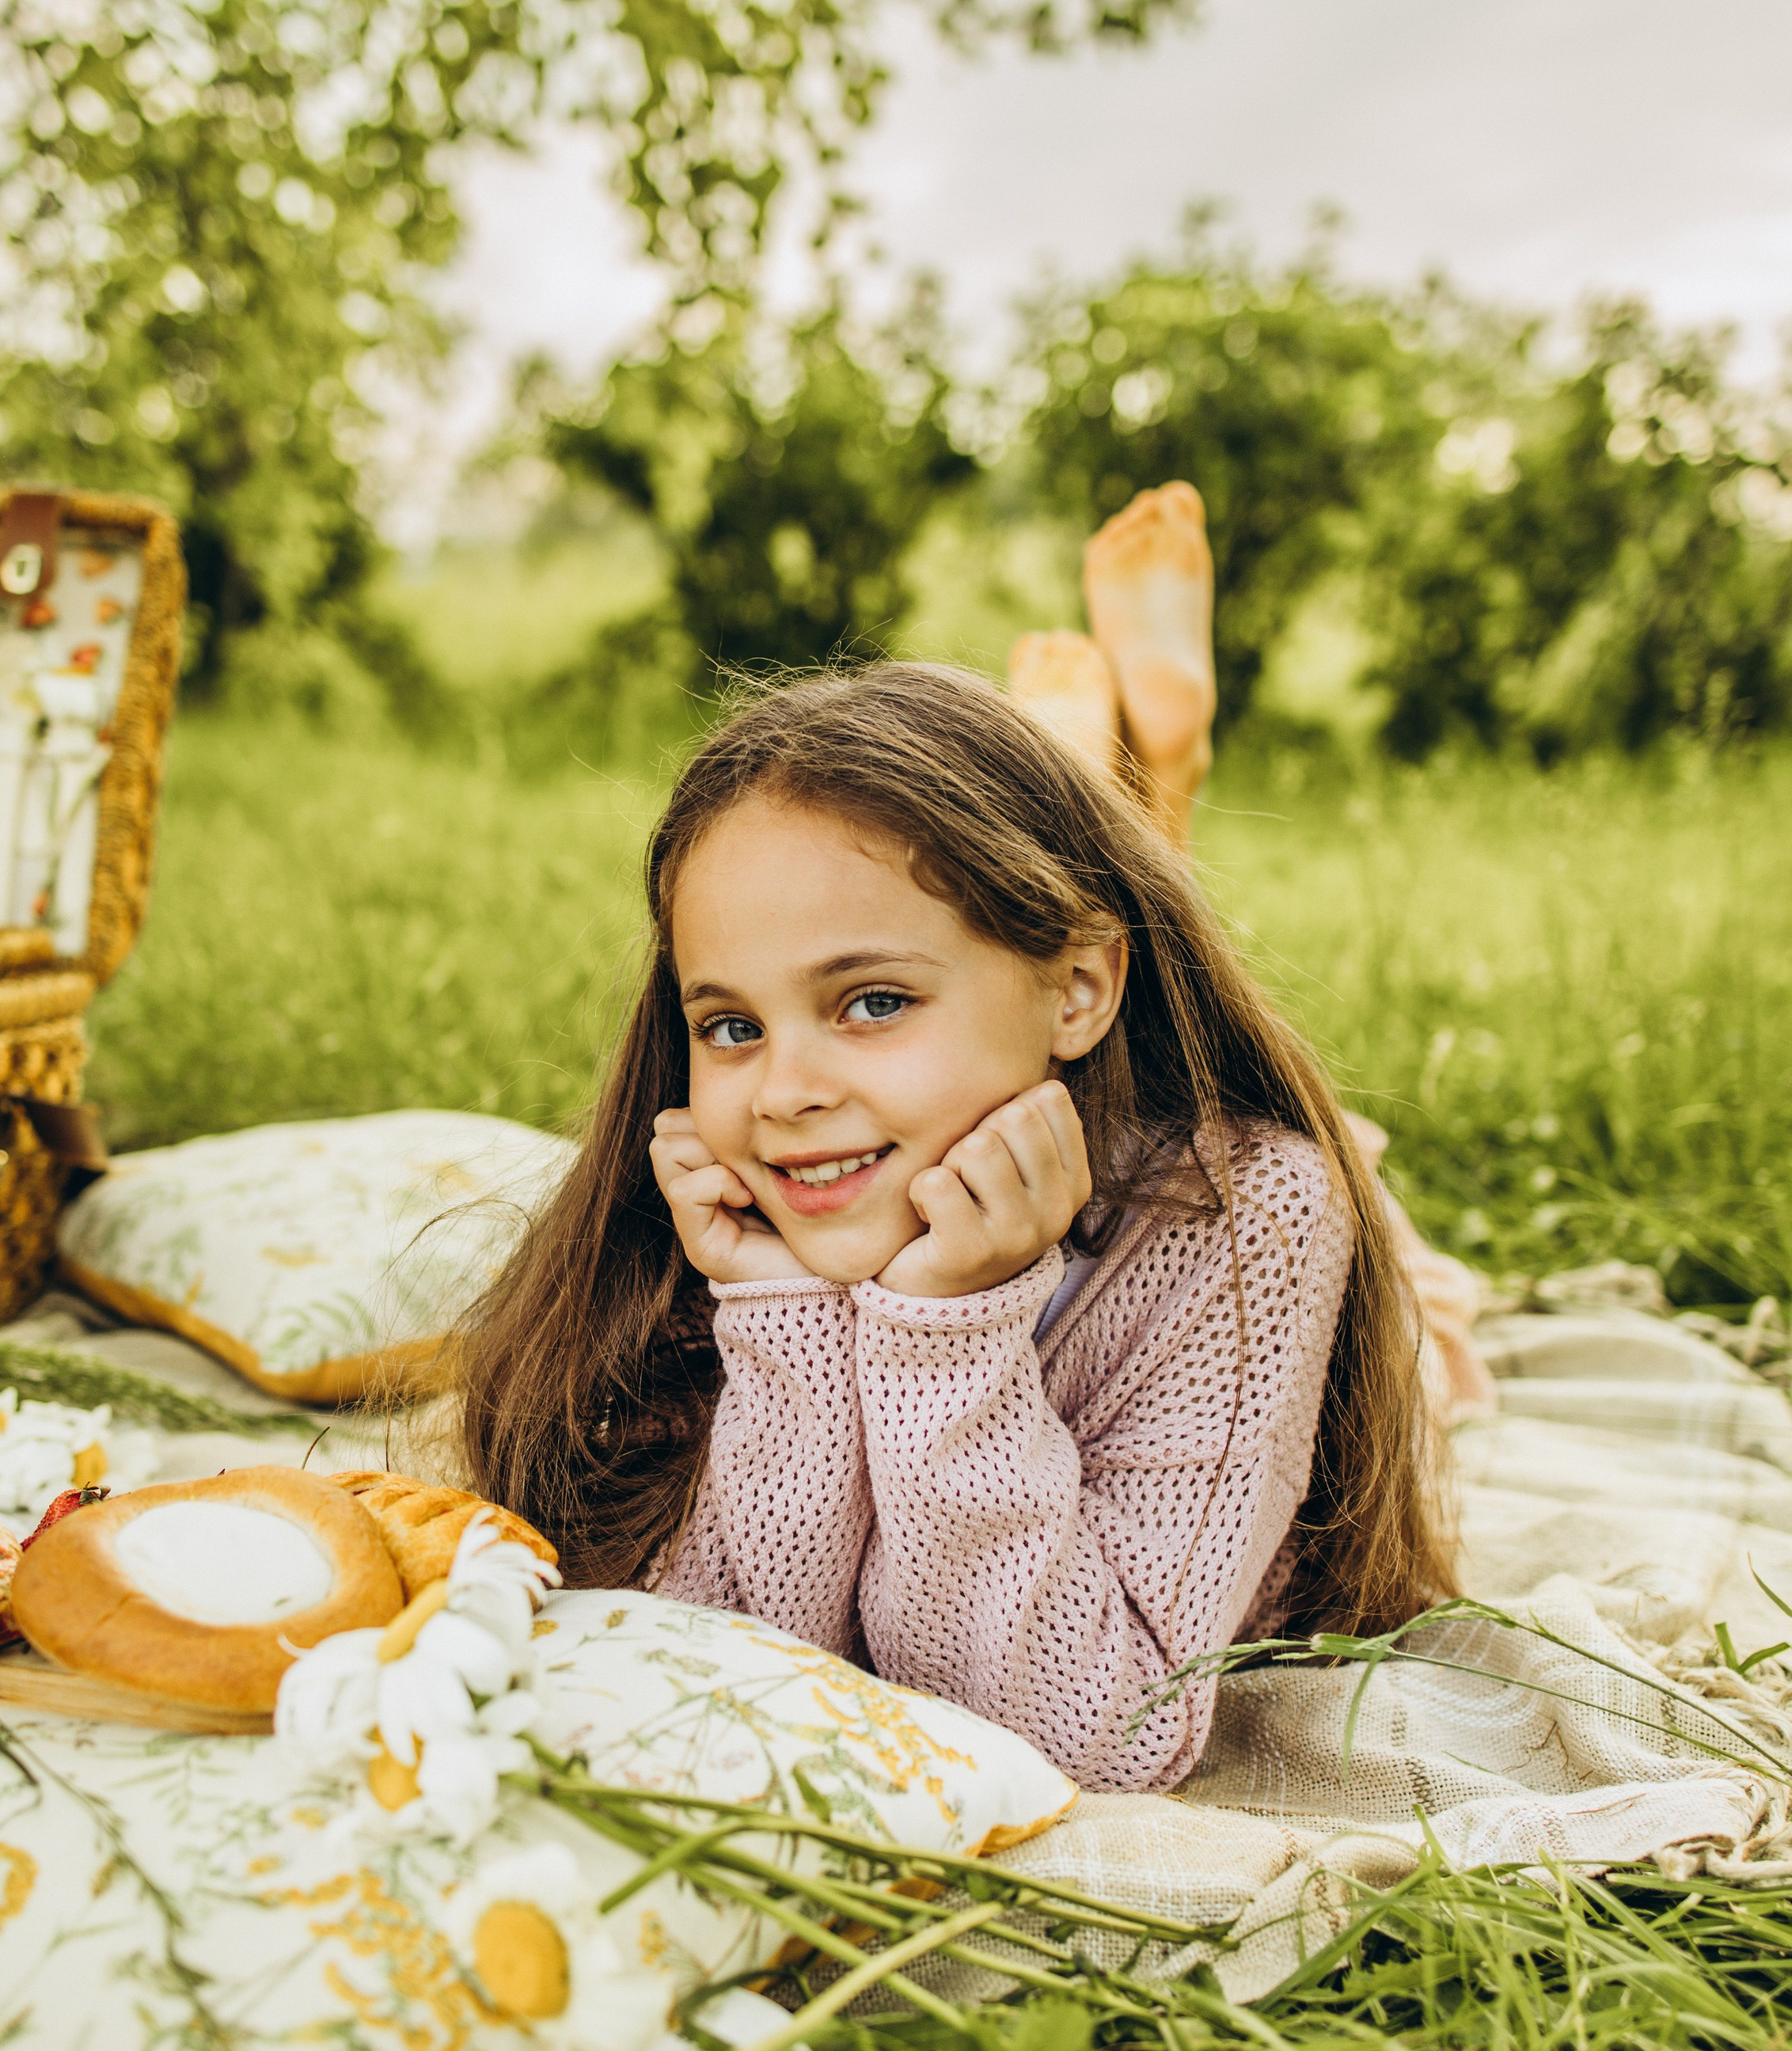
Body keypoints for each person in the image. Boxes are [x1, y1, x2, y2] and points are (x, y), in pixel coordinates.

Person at [456, 652, 1453, 1791]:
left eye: (872, 1003)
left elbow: (1081, 1739)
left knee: (1444, 1331)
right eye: (731, 1026)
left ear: (1078, 990)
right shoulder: (724, 1211)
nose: (784, 1094)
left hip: (1206, 1239)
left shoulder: (1251, 1216)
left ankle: (1145, 766)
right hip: (951, 1172)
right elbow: (736, 1672)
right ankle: (1107, 752)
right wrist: (785, 1309)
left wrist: (953, 1329)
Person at [1008, 481, 1498, 1419]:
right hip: (1204, 1177)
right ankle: (1147, 825)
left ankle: (1117, 829)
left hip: (1115, 1183)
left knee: (1066, 1041)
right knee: (1342, 1272)